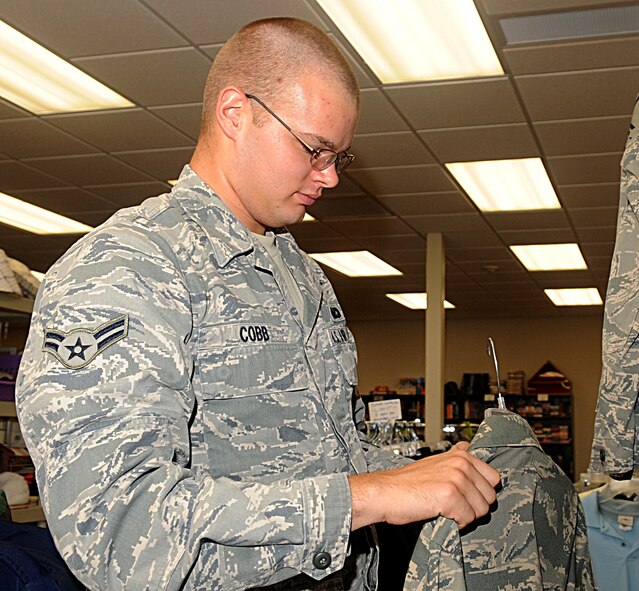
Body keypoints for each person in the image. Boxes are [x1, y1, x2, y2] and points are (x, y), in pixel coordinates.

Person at [15, 18, 500, 591]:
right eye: (315, 149)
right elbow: (117, 532)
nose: (329, 177)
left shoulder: (303, 276)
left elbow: (321, 450)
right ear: (234, 113)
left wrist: (418, 473)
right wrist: (368, 496)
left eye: (338, 158)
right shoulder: (127, 266)